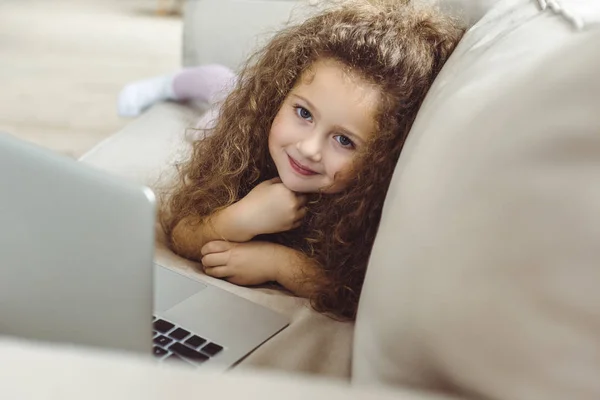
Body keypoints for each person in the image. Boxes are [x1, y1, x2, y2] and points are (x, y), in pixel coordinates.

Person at [120, 0, 465, 320]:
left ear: (383, 156)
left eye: (344, 140)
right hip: (222, 112)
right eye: (303, 112)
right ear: (279, 96)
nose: (309, 148)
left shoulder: (371, 208)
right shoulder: (246, 142)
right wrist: (238, 219)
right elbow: (183, 233)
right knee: (220, 89)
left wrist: (279, 264)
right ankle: (174, 83)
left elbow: (358, 293)